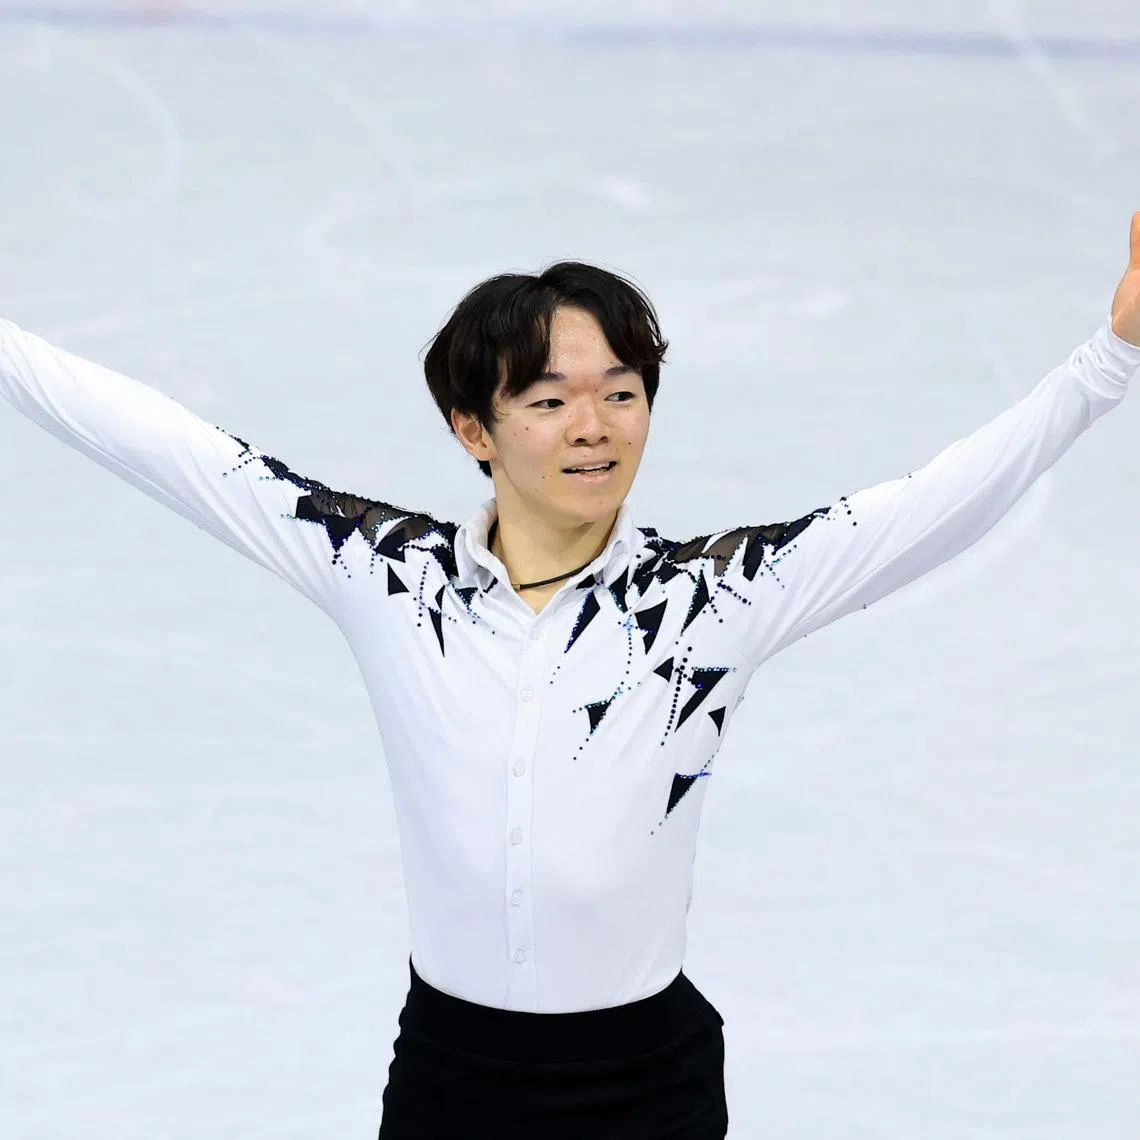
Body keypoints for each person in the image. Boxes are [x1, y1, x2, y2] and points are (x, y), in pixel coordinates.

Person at [3, 217, 1140, 1140]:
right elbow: (171, 447)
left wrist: (1111, 360)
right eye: (548, 400)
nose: (592, 428)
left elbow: (934, 506)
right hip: (454, 1080)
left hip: (644, 1089)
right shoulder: (384, 574)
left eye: (621, 392)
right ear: (473, 429)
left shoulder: (718, 597)